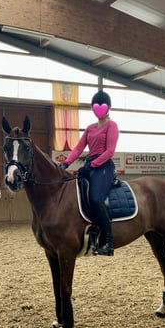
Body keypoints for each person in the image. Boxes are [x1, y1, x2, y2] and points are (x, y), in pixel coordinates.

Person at [61, 90, 119, 256]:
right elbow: (79, 148)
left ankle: (108, 242)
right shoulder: (90, 128)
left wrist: (93, 164)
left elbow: (110, 151)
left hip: (103, 166)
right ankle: (90, 229)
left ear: (108, 108)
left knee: (95, 198)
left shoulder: (112, 126)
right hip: (90, 165)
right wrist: (66, 162)